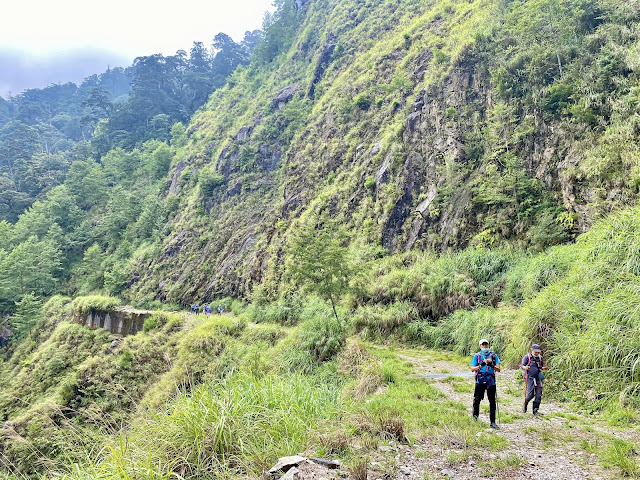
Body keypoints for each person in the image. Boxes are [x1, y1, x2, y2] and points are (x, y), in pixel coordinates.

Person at [470, 338, 501, 429]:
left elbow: (498, 369)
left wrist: (491, 365)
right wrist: (481, 365)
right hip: (480, 379)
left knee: (492, 401)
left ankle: (493, 422)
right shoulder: (477, 356)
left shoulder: (494, 356)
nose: (484, 346)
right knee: (477, 399)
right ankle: (475, 418)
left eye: (486, 345)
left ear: (488, 345)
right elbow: (472, 368)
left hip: (491, 380)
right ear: (480, 346)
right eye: (483, 345)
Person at [521, 344, 549, 415]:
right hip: (529, 377)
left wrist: (543, 368)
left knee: (539, 394)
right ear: (532, 350)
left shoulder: (540, 358)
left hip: (538, 377)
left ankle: (535, 410)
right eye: (535, 351)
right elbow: (522, 365)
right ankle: (525, 404)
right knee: (530, 394)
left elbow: (540, 367)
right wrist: (525, 367)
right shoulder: (527, 357)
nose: (537, 353)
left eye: (538, 352)